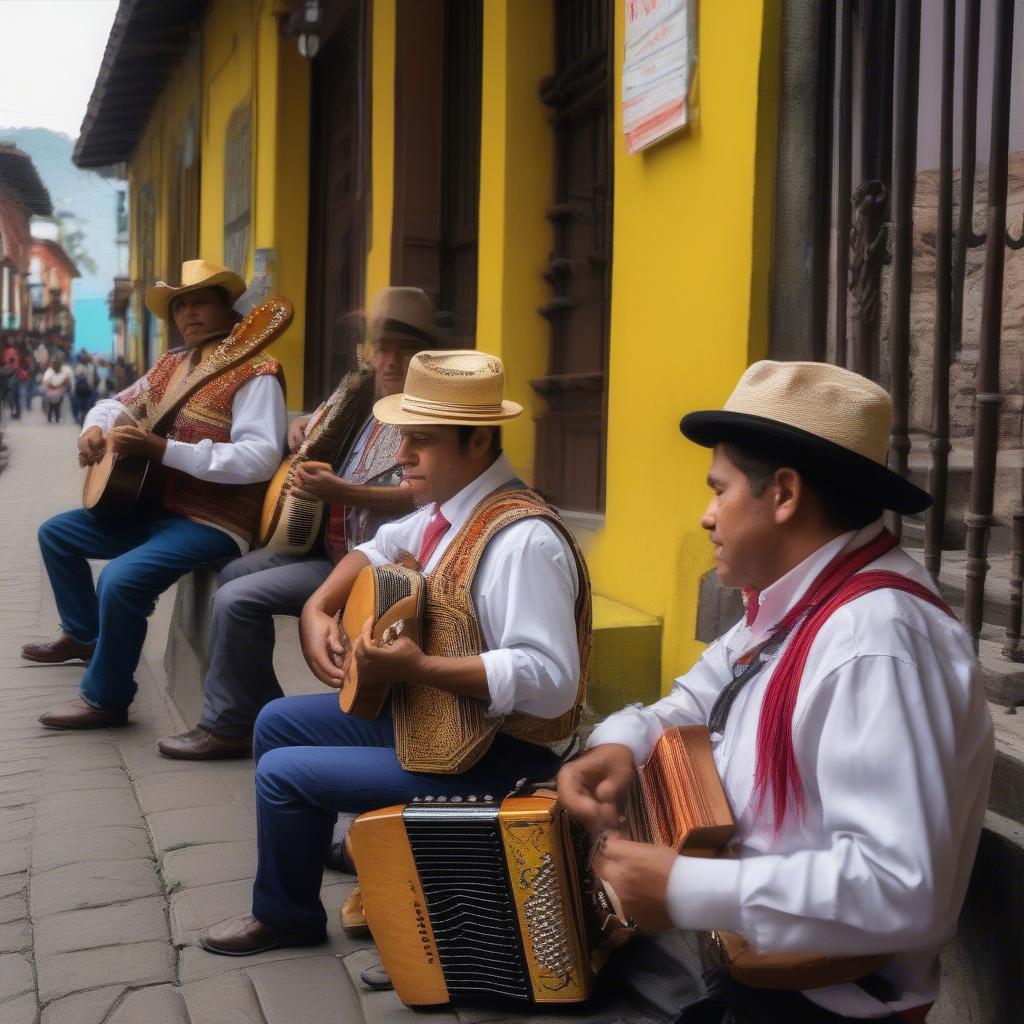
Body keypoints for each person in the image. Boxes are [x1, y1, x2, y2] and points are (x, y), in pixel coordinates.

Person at [557, 361, 994, 1024]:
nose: (706, 517)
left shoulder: (874, 640)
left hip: (820, 1006)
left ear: (784, 494)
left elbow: (901, 889)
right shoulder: (800, 604)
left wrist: (684, 887)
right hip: (750, 970)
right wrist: (622, 740)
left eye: (719, 489)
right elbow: (700, 697)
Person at [200, 349, 591, 956]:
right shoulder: (451, 510)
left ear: (480, 441)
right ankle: (320, 882)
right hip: (434, 723)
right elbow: (380, 545)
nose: (401, 454)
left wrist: (419, 669)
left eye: (421, 441)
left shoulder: (524, 541)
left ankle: (288, 916)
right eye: (404, 436)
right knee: (274, 723)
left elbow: (552, 681)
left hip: (498, 754)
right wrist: (318, 609)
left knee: (282, 775)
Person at [157, 287, 436, 760]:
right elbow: (318, 421)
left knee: (235, 596)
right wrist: (298, 425)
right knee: (234, 574)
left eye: (405, 351)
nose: (390, 361)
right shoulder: (363, 394)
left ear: (427, 357)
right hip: (331, 553)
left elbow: (424, 496)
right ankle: (257, 714)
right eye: (382, 348)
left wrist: (342, 493)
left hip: (385, 572)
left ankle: (231, 725)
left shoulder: (432, 413)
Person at [23, 259, 288, 731]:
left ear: (229, 309)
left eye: (200, 301)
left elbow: (260, 457)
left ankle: (107, 699)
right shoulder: (173, 364)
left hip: (213, 521)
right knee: (57, 534)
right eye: (180, 305)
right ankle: (85, 636)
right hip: (152, 509)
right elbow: (114, 403)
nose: (188, 313)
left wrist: (164, 449)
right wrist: (94, 429)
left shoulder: (256, 371)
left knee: (121, 581)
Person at [40, 353, 72, 423]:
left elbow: (68, 381)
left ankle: (57, 417)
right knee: (52, 406)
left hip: (59, 392)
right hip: (51, 392)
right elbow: (46, 382)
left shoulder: (65, 370)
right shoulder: (49, 372)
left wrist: (60, 385)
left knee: (57, 406)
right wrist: (57, 386)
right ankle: (51, 417)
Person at [71, 351, 98, 425]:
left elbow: (95, 377)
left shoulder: (92, 366)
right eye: (83, 357)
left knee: (88, 404)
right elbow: (76, 377)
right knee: (81, 404)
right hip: (80, 389)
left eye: (86, 357)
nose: (85, 359)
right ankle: (82, 416)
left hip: (90, 389)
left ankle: (85, 417)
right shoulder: (79, 366)